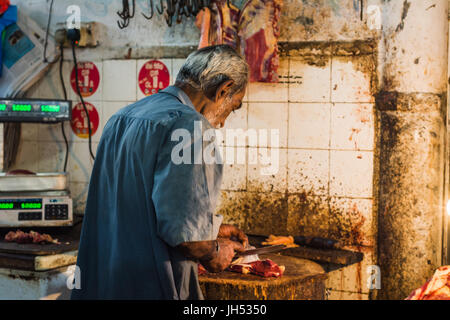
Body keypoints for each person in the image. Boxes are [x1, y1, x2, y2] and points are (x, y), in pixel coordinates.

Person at [71, 45, 250, 300]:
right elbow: (188, 240)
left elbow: (137, 210)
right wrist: (214, 251)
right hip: (149, 288)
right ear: (223, 89)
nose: (222, 122)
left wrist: (211, 227)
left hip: (104, 285)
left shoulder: (123, 117)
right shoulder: (190, 126)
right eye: (233, 107)